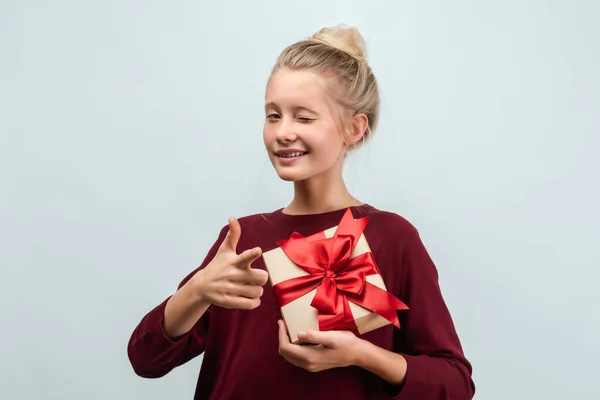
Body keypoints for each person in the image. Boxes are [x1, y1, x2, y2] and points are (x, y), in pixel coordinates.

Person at [127, 25, 475, 400]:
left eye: (304, 118)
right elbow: (145, 360)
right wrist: (197, 291)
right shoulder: (242, 241)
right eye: (273, 115)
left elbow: (454, 383)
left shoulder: (391, 238)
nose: (282, 132)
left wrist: (365, 356)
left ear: (354, 129)